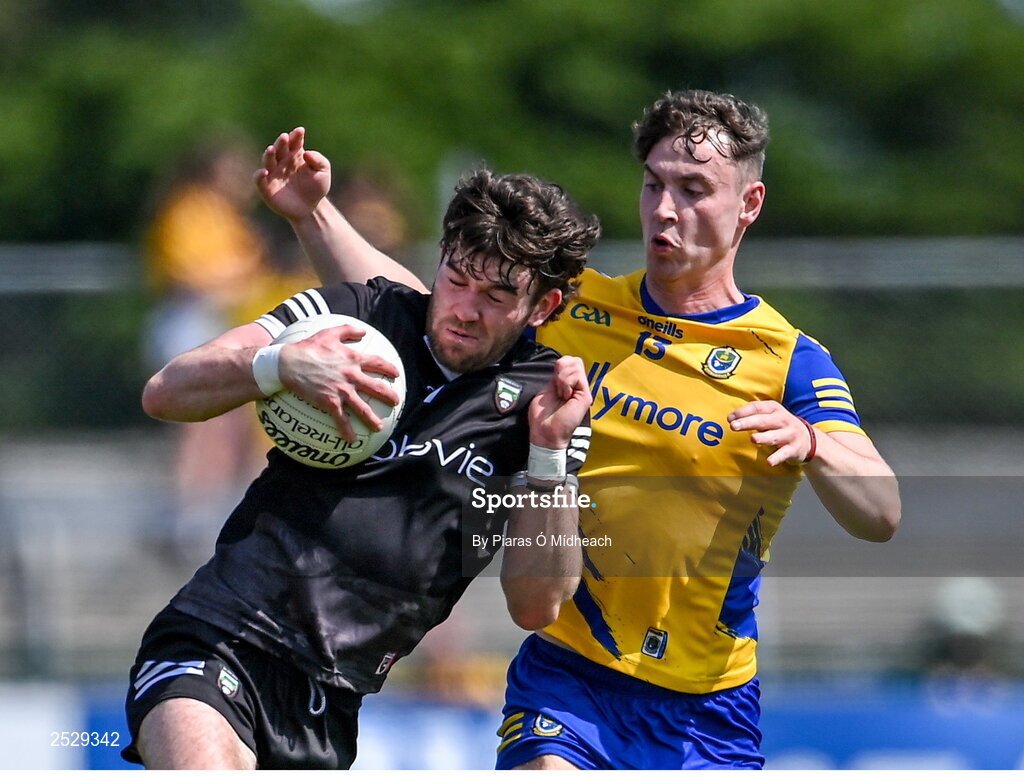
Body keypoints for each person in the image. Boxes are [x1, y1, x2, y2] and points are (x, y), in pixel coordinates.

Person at [257, 90, 901, 771]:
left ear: (750, 204)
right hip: (570, 679)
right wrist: (314, 215)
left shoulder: (790, 362)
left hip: (707, 708)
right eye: (654, 183)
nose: (665, 208)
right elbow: (426, 310)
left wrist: (815, 442)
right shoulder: (577, 309)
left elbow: (880, 512)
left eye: (693, 189)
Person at [122, 167, 601, 769]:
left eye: (496, 298)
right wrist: (280, 365)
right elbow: (166, 392)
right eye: (456, 280)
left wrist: (548, 458)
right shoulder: (357, 315)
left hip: (332, 701)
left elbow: (536, 605)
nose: (465, 309)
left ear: (542, 306)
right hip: (219, 638)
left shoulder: (547, 401)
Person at [142, 137, 315, 561]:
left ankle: (217, 515)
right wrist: (240, 277)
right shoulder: (188, 209)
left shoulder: (226, 215)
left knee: (231, 431)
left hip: (221, 321)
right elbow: (191, 276)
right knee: (200, 429)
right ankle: (185, 519)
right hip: (190, 319)